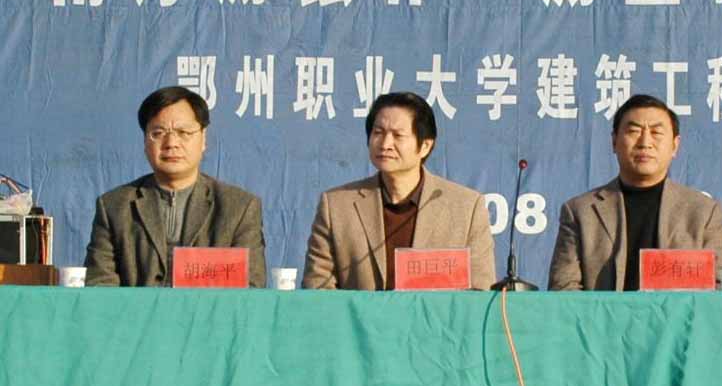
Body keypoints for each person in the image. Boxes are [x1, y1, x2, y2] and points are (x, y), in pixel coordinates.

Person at [302, 92, 495, 290]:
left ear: (425, 146)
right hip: (357, 312)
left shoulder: (466, 208)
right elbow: (317, 288)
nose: (385, 144)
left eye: (398, 136)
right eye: (378, 133)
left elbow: (480, 292)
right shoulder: (336, 206)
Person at [548, 94, 722, 290]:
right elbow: (563, 288)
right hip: (603, 312)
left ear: (674, 145)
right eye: (634, 131)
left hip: (679, 312)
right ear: (614, 141)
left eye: (656, 132)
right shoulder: (580, 212)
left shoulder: (703, 211)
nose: (645, 142)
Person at [85, 86, 266, 287]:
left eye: (184, 132)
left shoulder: (239, 208)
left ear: (203, 139)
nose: (171, 143)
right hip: (134, 310)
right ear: (145, 141)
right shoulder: (114, 207)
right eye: (158, 133)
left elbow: (250, 289)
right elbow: (100, 287)